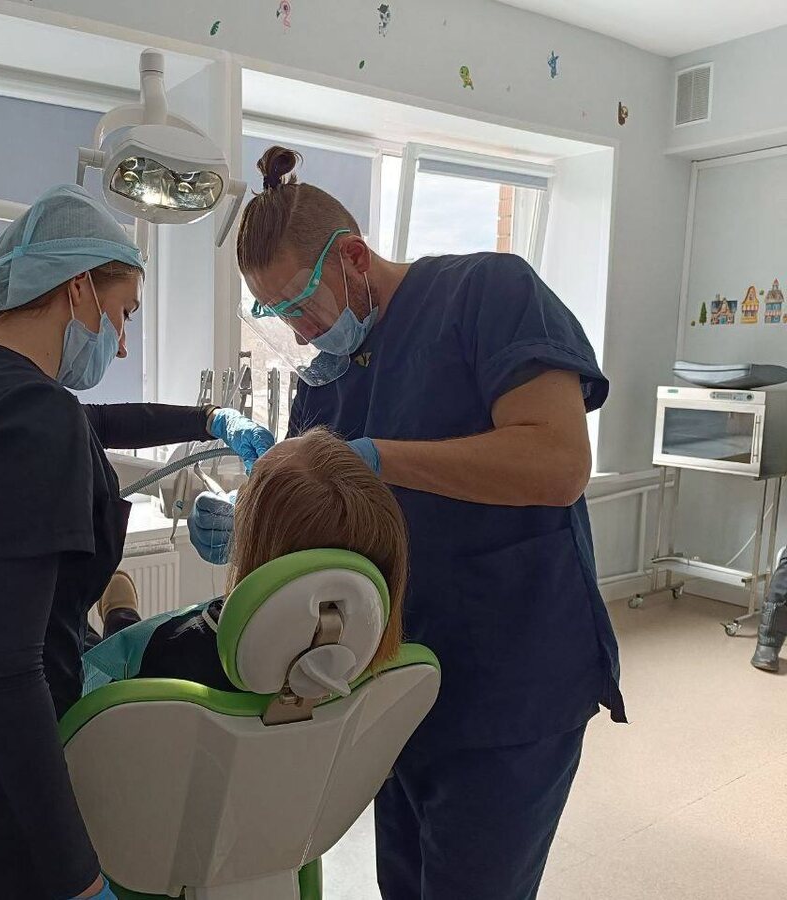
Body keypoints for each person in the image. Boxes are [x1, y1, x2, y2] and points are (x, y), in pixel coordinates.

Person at [189, 146, 625, 900]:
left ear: (353, 257)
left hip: (509, 681)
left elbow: (558, 465)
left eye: (302, 307)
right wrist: (255, 525)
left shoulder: (488, 293)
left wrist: (380, 458)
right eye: (279, 317)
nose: (300, 335)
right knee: (405, 884)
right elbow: (330, 541)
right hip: (390, 684)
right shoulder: (325, 383)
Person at [0, 184, 274, 900]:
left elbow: (94, 422)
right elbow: (4, 676)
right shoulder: (35, 421)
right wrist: (79, 879)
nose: (122, 341)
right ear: (78, 289)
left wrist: (208, 420)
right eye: (123, 313)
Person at [84, 427, 408, 691]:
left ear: (251, 539)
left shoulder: (171, 646)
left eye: (246, 488)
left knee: (96, 639)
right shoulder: (372, 673)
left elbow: (98, 697)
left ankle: (119, 611)